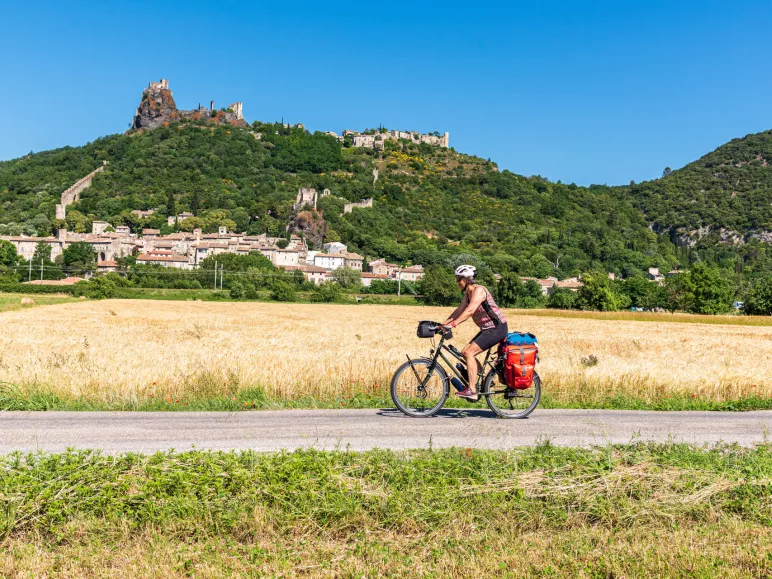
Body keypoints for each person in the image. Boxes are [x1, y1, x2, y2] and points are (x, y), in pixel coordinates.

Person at [442, 265, 508, 401]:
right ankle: (485, 380)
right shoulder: (468, 294)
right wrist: (443, 325)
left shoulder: (479, 291)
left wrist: (453, 325)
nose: (457, 282)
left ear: (467, 280)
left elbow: (470, 311)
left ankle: (472, 390)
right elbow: (459, 310)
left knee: (469, 353)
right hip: (486, 328)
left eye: (458, 279)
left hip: (497, 328)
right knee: (464, 352)